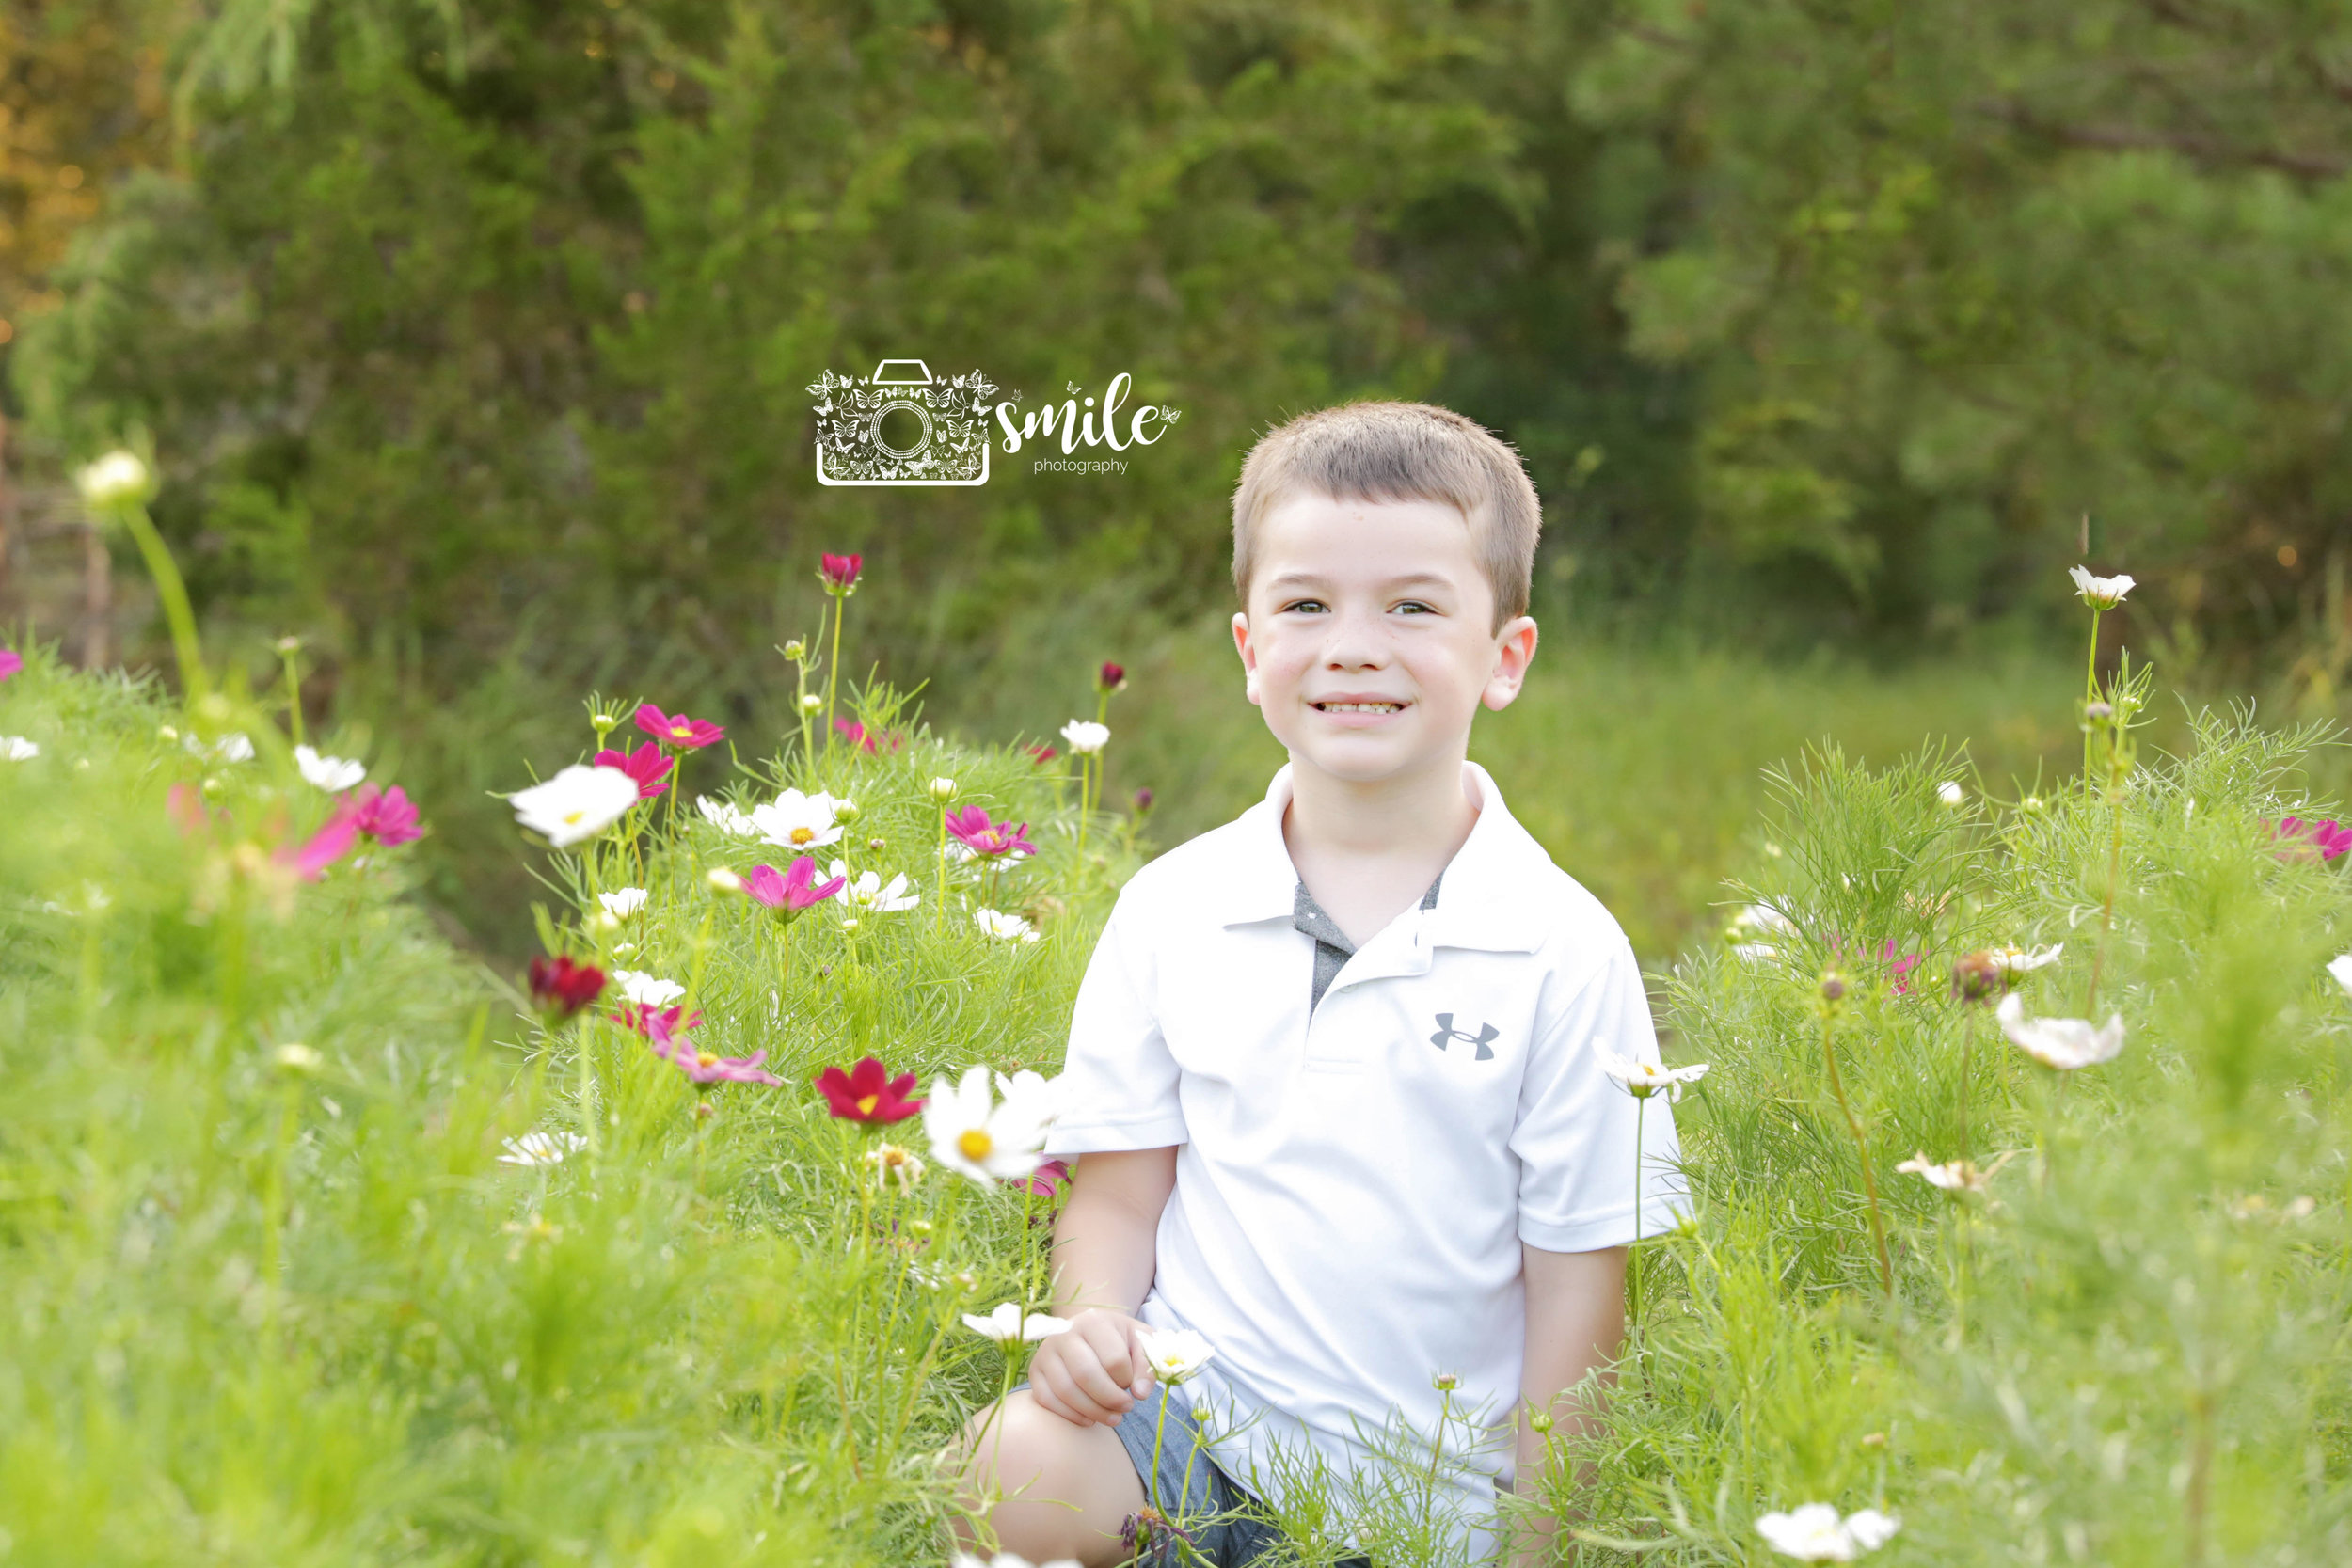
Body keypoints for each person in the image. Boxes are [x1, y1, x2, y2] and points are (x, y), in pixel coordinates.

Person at [952, 401, 1692, 1566]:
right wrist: (1090, 1320)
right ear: (1250, 651)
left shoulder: (1560, 945)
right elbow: (1120, 1191)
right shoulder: (1173, 907)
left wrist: (1539, 1545)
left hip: (1427, 1506)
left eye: (1412, 605)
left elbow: (1576, 1292)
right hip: (1194, 1437)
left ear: (1504, 657)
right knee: (1008, 1464)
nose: (1353, 644)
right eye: (1306, 605)